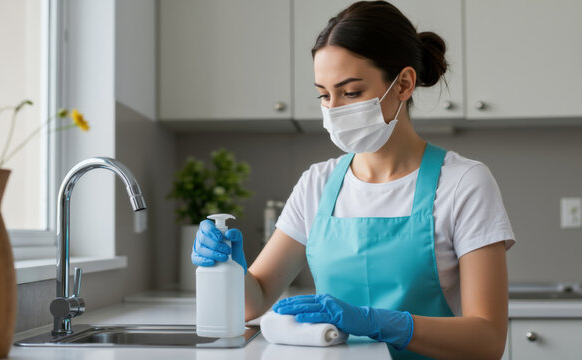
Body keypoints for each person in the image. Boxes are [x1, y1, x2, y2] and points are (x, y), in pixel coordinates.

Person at [192, 1, 515, 359]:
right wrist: (229, 269)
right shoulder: (318, 183)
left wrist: (380, 323)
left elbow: (487, 340)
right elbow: (252, 304)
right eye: (324, 95)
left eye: (351, 93)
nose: (335, 110)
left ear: (404, 84)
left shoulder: (463, 183)